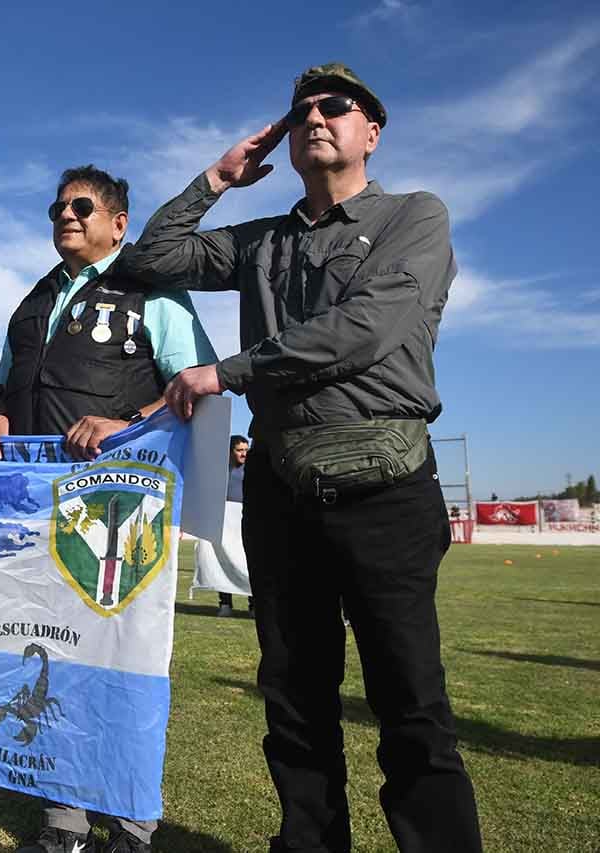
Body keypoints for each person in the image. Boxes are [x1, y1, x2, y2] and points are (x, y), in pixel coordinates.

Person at [121, 63, 482, 852]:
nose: (315, 117)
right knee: (293, 698)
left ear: (371, 131)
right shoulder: (264, 240)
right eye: (300, 111)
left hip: (383, 485)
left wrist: (231, 371)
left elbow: (368, 328)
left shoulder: (414, 217)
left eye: (336, 106)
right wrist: (217, 178)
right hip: (283, 491)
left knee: (410, 701)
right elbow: (150, 261)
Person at [0, 165, 216, 853]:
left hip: (120, 511)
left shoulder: (151, 290)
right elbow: (3, 385)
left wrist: (128, 420)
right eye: (57, 207)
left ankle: (133, 825)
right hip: (35, 511)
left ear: (118, 223)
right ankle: (65, 822)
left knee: (123, 662)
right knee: (52, 662)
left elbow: (196, 383)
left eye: (82, 206)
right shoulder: (30, 304)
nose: (66, 215)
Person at [215, 435, 253, 617]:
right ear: (230, 451)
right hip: (226, 524)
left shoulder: (253, 470)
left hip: (247, 521)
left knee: (249, 563)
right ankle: (225, 603)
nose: (244, 454)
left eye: (246, 450)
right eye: (239, 450)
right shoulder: (221, 471)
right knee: (224, 561)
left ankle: (253, 604)